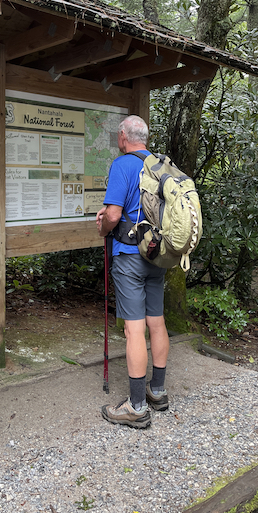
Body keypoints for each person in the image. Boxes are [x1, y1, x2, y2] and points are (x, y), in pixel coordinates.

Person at [96, 115, 169, 429]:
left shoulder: (123, 165)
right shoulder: (161, 165)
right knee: (157, 322)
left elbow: (113, 215)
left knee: (134, 330)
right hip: (157, 254)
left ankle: (136, 407)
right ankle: (158, 391)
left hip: (129, 256)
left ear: (123, 137)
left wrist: (103, 226)